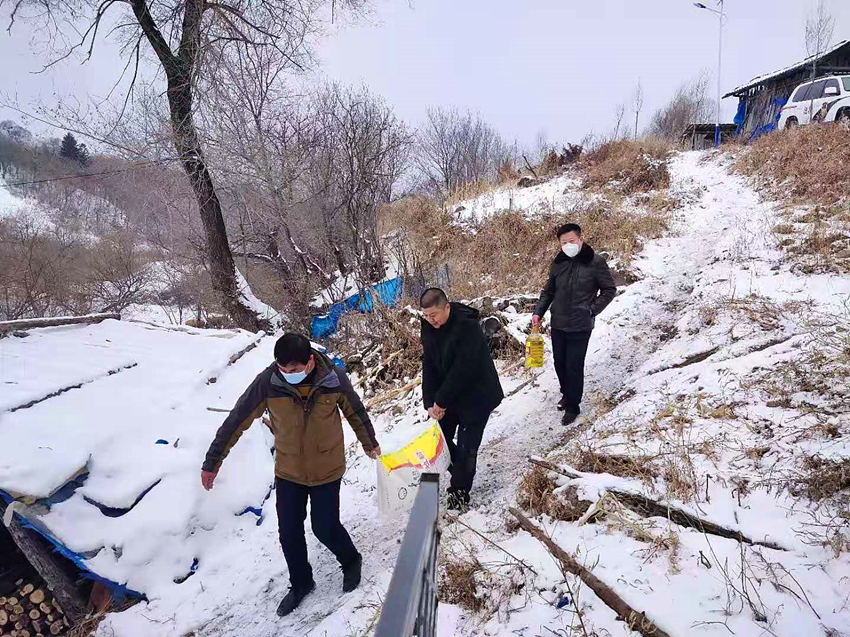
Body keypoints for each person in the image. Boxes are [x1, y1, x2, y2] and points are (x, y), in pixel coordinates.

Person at [201, 334, 381, 617]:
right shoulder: (269, 382)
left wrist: (369, 443)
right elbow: (238, 418)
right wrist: (213, 461)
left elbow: (355, 410)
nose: (289, 375)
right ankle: (301, 583)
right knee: (289, 532)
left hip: (326, 467)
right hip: (289, 471)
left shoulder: (332, 378)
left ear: (310, 361)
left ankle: (351, 560)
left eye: (295, 370)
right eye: (284, 370)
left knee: (324, 526)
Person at [419, 288, 504, 511]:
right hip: (450, 396)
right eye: (426, 316)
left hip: (477, 395)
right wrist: (430, 401)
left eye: (434, 315)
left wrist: (441, 400)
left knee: (467, 448)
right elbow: (428, 363)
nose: (431, 320)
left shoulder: (468, 326)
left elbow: (462, 370)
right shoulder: (428, 326)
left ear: (447, 307)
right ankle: (463, 469)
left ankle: (458, 493)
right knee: (441, 442)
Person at [532, 223, 616, 425]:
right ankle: (567, 393)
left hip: (581, 324)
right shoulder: (558, 263)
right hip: (558, 322)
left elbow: (609, 290)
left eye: (571, 241)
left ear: (580, 239)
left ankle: (573, 406)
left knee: (573, 366)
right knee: (559, 363)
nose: (568, 245)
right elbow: (548, 291)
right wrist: (538, 312)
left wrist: (591, 309)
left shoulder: (595, 262)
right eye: (563, 242)